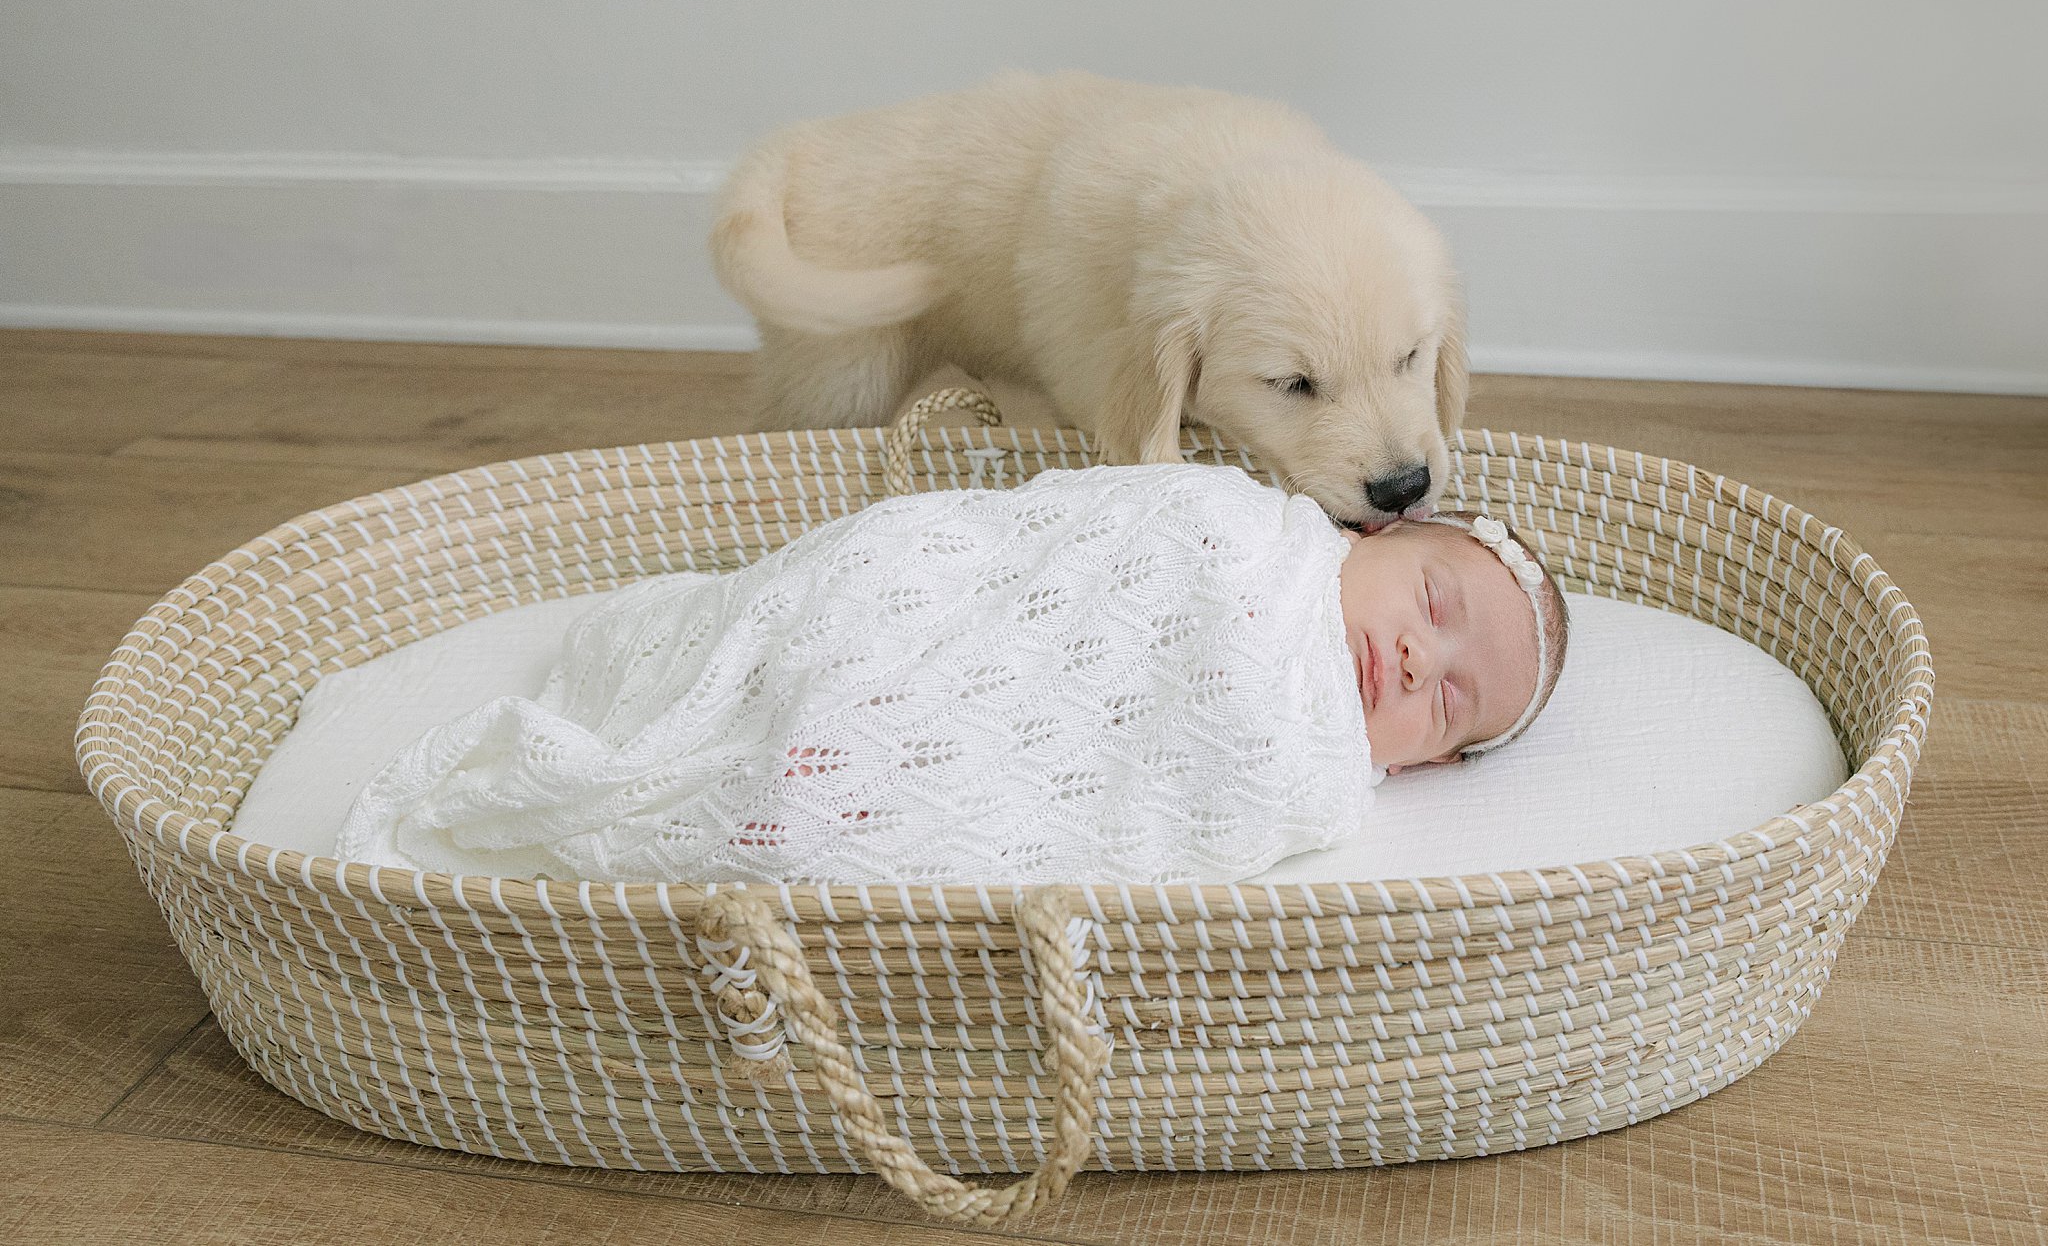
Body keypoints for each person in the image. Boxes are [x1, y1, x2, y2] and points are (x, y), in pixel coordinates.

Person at [337, 463, 1568, 885]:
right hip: (915, 616)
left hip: (947, 776)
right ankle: (793, 695)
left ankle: (812, 782)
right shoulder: (1238, 525)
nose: (1418, 659)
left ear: (1425, 766)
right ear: (1372, 535)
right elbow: (1045, 541)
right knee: (858, 623)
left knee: (820, 814)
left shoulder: (1317, 781)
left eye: (1446, 702)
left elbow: (1177, 806)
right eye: (1433, 604)